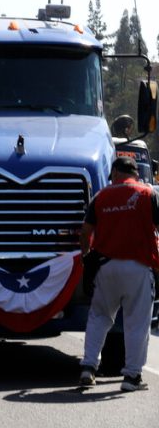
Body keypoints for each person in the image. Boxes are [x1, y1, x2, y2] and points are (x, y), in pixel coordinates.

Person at [78, 156, 159, 392]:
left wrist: (87, 256)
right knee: (137, 323)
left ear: (114, 173)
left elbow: (85, 233)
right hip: (139, 267)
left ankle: (88, 367)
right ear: (135, 174)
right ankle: (131, 376)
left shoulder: (101, 197)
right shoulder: (148, 194)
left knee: (99, 317)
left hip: (107, 267)